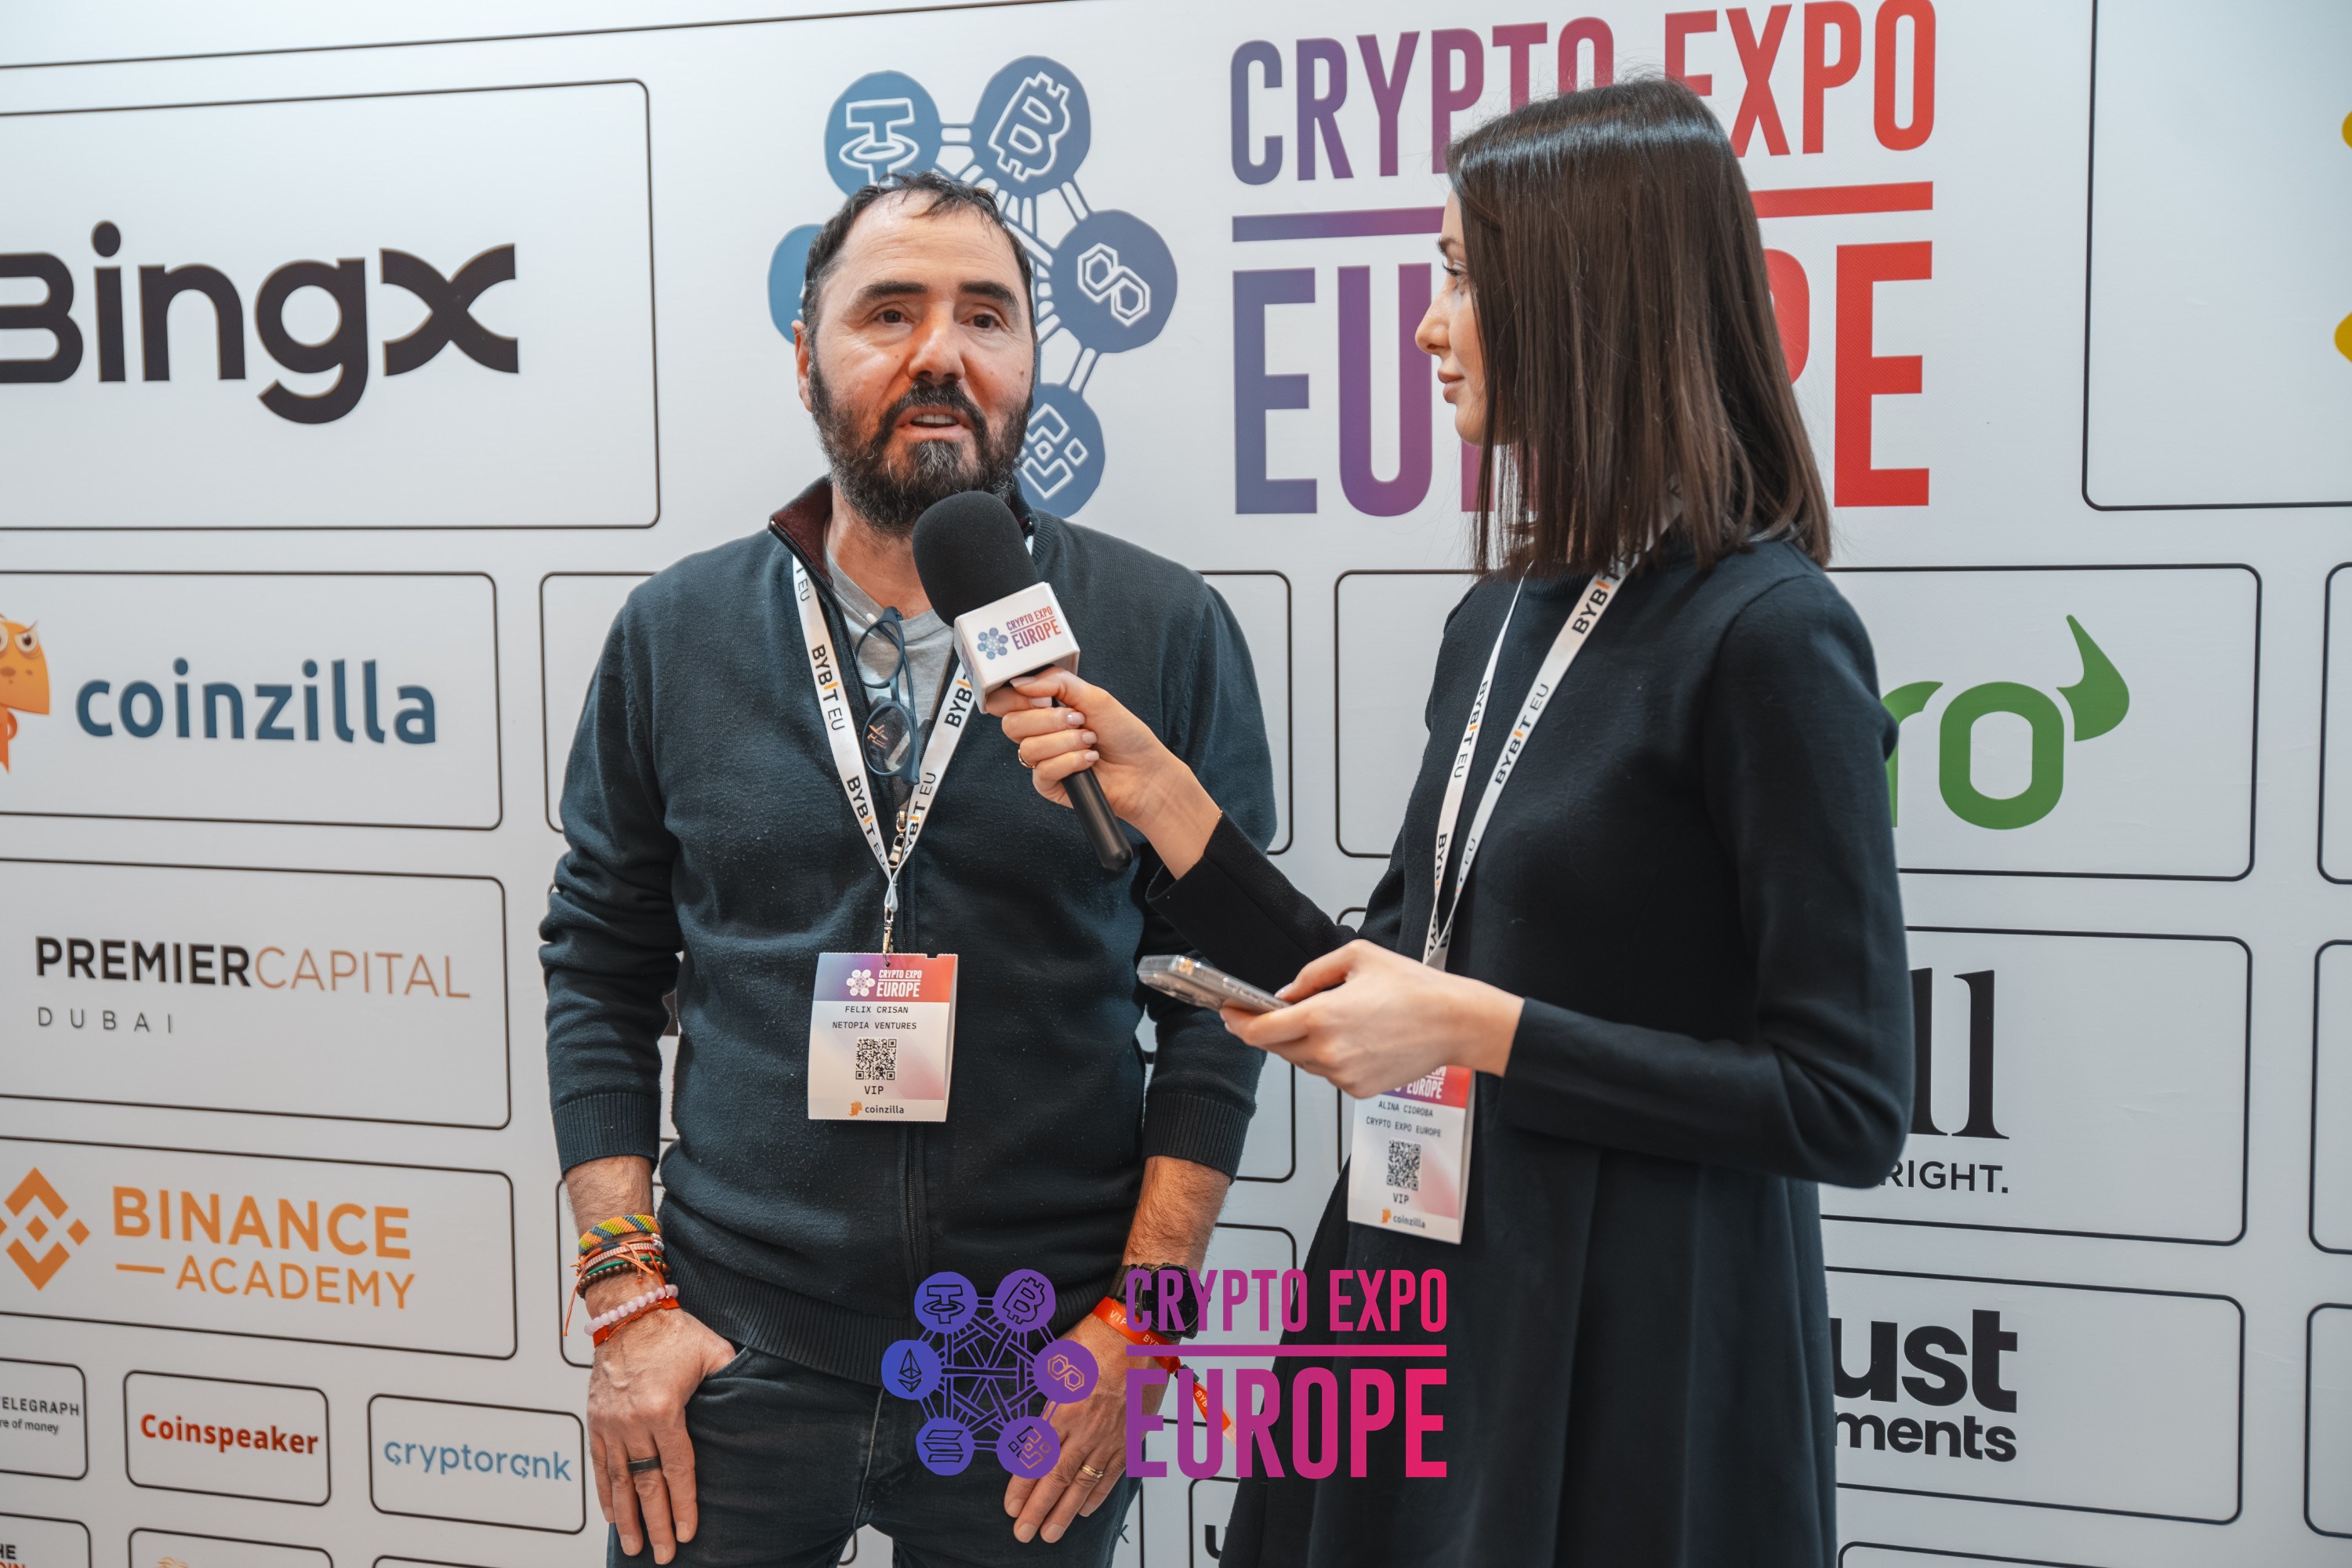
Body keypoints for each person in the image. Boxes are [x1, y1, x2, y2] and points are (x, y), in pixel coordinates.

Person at [988, 78, 1911, 1567]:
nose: (1429, 325)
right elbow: (1379, 978)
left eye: (1464, 278)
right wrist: (1168, 805)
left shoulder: (1771, 635)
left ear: (1591, 299)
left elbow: (1842, 1105)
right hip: (1410, 1282)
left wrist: (1479, 1030)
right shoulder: (1499, 619)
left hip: (1635, 1344)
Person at [543, 170, 1277, 1566]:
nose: (942, 352)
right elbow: (598, 968)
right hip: (733, 1348)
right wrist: (627, 1303)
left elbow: (1218, 1001)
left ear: (1032, 363)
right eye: (890, 312)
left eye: (986, 316)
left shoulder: (1162, 628)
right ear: (805, 356)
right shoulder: (675, 634)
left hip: (1041, 1365)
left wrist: (1148, 1325)